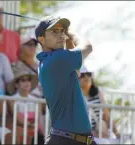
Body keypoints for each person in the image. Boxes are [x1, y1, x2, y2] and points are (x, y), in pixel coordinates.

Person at [35, 16, 96, 145]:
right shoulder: (56, 59)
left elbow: (77, 70)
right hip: (66, 140)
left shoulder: (51, 61)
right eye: (54, 32)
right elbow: (88, 47)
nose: (60, 35)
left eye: (61, 31)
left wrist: (67, 39)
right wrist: (71, 33)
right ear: (41, 39)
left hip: (76, 139)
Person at [79, 66, 120, 139]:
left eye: (88, 74)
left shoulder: (98, 93)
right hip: (82, 131)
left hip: (99, 132)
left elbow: (107, 116)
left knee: (102, 124)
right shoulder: (76, 95)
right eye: (82, 75)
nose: (86, 77)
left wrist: (116, 132)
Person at [7, 68, 44, 144]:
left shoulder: (37, 100)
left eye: (29, 80)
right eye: (23, 80)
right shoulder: (11, 100)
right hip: (18, 131)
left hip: (35, 131)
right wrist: (30, 125)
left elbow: (40, 120)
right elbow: (17, 118)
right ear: (17, 85)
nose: (27, 83)